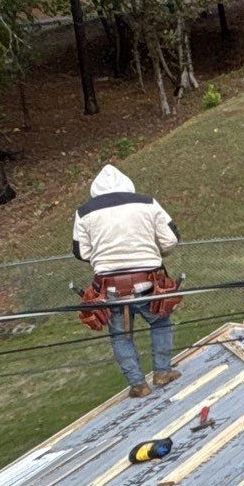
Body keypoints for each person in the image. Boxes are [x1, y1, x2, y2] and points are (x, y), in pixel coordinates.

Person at [73, 164, 182, 397]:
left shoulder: (84, 212)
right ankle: (162, 372)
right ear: (127, 184)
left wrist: (104, 259)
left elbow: (81, 252)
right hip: (148, 283)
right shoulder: (147, 203)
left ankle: (138, 385)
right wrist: (155, 253)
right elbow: (171, 238)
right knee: (160, 323)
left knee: (120, 336)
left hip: (110, 288)